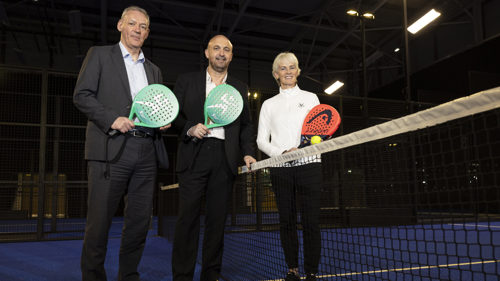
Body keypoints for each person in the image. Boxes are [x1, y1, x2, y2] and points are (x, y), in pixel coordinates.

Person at [73, 6, 170, 281]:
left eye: (143, 26)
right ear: (120, 26)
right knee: (99, 224)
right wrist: (112, 119)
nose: (138, 29)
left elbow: (155, 108)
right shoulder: (100, 55)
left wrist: (160, 121)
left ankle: (129, 276)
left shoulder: (154, 70)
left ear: (148, 32)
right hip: (109, 149)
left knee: (139, 225)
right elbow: (82, 95)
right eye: (132, 24)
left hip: (146, 151)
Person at [171, 34, 256, 281]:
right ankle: (182, 276)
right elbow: (173, 115)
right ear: (206, 53)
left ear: (231, 55)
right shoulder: (186, 81)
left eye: (226, 49)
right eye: (216, 48)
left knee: (217, 224)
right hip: (194, 154)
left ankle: (211, 275)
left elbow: (246, 125)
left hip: (224, 159)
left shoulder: (240, 87)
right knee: (187, 221)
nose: (221, 53)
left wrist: (248, 152)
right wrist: (189, 127)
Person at [256, 52, 322, 281]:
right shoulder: (268, 105)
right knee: (287, 220)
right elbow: (261, 140)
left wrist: (303, 149)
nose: (288, 72)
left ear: (298, 71)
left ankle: (311, 271)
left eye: (292, 67)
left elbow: (318, 131)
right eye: (283, 68)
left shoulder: (312, 97)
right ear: (276, 74)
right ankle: (292, 268)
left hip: (310, 164)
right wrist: (281, 154)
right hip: (280, 168)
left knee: (311, 220)